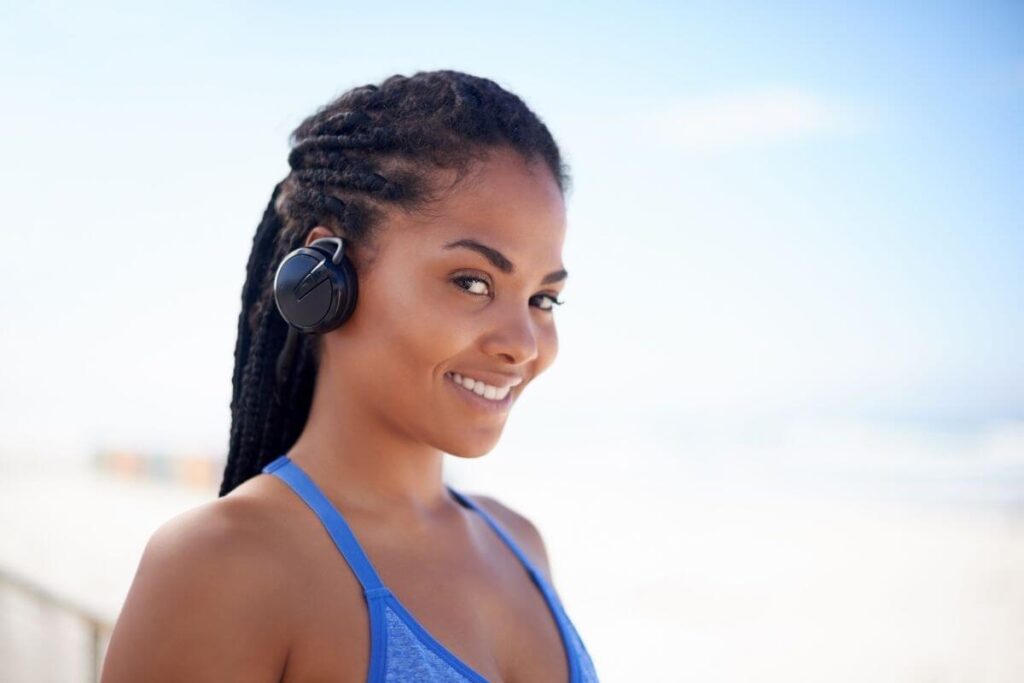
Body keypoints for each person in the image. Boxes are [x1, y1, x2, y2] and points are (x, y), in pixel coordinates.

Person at [100, 69, 599, 683]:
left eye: (542, 300)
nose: (522, 345)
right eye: (473, 282)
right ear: (325, 275)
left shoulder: (521, 545)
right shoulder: (224, 564)